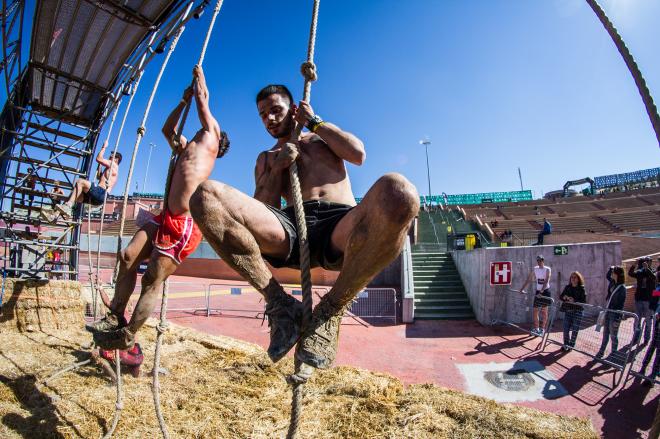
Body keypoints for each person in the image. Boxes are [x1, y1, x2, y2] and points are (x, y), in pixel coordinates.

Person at [188, 84, 419, 369]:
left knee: (400, 191)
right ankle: (278, 303)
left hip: (339, 224)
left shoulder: (321, 136)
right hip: (290, 229)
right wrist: (278, 168)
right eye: (263, 115)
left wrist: (314, 122)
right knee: (204, 196)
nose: (269, 119)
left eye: (275, 110)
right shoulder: (266, 158)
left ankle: (331, 309)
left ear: (293, 110)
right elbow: (263, 206)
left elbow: (358, 154)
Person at [88, 65, 230, 349]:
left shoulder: (212, 136)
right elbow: (167, 129)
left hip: (183, 225)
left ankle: (128, 336)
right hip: (164, 216)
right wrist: (182, 101)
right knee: (127, 257)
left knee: (152, 279)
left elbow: (204, 99)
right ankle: (115, 315)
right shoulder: (186, 147)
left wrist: (200, 77)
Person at [45, 141, 122, 221]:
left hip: (101, 192)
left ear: (116, 159)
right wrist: (100, 166)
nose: (109, 156)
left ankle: (68, 206)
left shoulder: (113, 164)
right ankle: (55, 216)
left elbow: (98, 158)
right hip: (99, 198)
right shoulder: (112, 169)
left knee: (80, 182)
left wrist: (104, 147)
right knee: (73, 196)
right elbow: (100, 178)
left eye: (112, 156)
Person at [596, 266, 627, 360]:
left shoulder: (622, 288)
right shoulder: (613, 283)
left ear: (617, 274)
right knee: (605, 334)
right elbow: (607, 276)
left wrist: (617, 315)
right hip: (608, 311)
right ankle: (601, 352)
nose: (612, 273)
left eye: (614, 272)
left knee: (613, 335)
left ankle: (613, 354)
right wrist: (611, 268)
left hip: (615, 314)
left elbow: (621, 303)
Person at [519, 255, 552, 336]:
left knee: (544, 311)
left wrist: (542, 291)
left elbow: (547, 280)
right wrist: (522, 288)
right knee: (535, 311)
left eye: (540, 260)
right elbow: (529, 279)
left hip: (545, 292)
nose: (539, 262)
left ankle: (543, 329)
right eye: (538, 260)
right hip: (538, 292)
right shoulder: (535, 269)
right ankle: (537, 329)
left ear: (543, 261)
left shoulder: (547, 269)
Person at [629, 257, 656, 345]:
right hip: (639, 300)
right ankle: (636, 338)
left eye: (647, 262)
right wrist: (634, 265)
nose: (645, 263)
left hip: (648, 300)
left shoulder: (653, 271)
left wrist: (647, 268)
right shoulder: (640, 272)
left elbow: (654, 277)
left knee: (648, 321)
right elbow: (631, 273)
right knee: (637, 320)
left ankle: (646, 339)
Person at [559, 271, 587, 351]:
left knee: (575, 330)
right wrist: (564, 297)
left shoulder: (582, 289)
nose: (573, 279)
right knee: (565, 329)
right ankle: (566, 344)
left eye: (575, 277)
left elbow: (584, 301)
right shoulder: (568, 287)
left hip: (577, 312)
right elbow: (561, 296)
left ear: (578, 279)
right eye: (572, 277)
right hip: (568, 311)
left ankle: (571, 345)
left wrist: (574, 300)